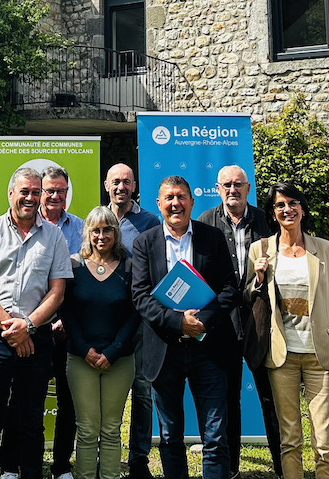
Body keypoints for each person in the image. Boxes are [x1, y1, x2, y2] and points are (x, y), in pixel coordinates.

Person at [0, 166, 73, 479]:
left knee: (32, 421)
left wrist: (28, 327)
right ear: (11, 193)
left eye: (36, 192)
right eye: (24, 191)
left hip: (36, 340)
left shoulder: (54, 236)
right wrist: (12, 327)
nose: (30, 197)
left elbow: (58, 292)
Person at [131, 175, 239, 479]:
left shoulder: (213, 237)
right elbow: (140, 296)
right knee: (170, 437)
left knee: (215, 436)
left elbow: (229, 290)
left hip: (210, 350)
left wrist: (202, 320)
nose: (175, 203)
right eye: (169, 198)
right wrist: (179, 322)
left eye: (181, 197)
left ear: (191, 202)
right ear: (158, 204)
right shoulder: (144, 243)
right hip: (165, 350)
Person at [247, 182, 329, 479]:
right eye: (280, 205)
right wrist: (258, 278)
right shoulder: (260, 249)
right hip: (283, 355)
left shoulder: (325, 249)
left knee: (324, 441)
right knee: (289, 438)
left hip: (321, 356)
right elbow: (248, 296)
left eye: (293, 203)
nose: (287, 209)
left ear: (303, 209)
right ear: (272, 214)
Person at [197, 164, 283, 478]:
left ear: (248, 188)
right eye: (226, 185)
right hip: (221, 324)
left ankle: (283, 467)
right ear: (217, 189)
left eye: (238, 184)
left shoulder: (266, 221)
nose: (232, 190)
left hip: (263, 323)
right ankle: (230, 469)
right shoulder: (205, 221)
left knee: (271, 397)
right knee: (227, 399)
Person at [63, 206, 139, 479]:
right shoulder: (73, 265)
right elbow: (66, 311)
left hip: (119, 359)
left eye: (108, 230)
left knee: (110, 428)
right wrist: (85, 350)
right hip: (81, 358)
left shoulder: (130, 266)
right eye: (96, 230)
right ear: (88, 233)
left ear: (115, 233)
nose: (102, 236)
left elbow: (135, 313)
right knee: (86, 428)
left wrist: (114, 350)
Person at [104, 163, 160, 479]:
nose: (121, 187)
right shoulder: (97, 219)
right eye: (115, 181)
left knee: (142, 390)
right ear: (106, 185)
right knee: (106, 391)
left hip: (141, 320)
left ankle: (138, 459)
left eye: (126, 181)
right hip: (105, 319)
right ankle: (105, 455)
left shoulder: (150, 221)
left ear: (134, 185)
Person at [40, 165, 84, 479]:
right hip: (33, 328)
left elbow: (87, 282)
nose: (55, 196)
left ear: (67, 193)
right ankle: (15, 462)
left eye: (61, 190)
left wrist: (67, 320)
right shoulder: (24, 224)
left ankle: (61, 465)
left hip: (70, 330)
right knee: (24, 399)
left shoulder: (82, 229)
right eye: (50, 190)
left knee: (69, 402)